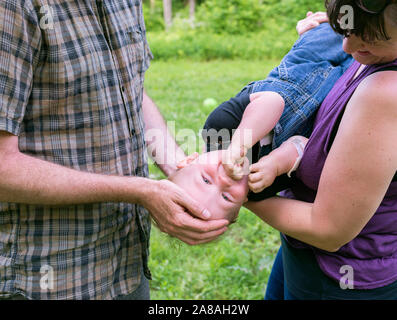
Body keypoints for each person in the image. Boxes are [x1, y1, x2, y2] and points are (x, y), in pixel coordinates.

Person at [0, 0, 228, 300]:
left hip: (126, 266)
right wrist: (138, 190)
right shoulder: (14, 8)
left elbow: (132, 90)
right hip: (47, 277)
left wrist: (179, 169)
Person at [245, 0, 397, 299]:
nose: (348, 47)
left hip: (342, 274)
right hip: (303, 248)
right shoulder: (374, 51)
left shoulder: (385, 94)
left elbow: (328, 230)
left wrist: (237, 191)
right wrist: (316, 38)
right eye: (345, 30)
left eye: (369, 39)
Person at [202, 19, 353, 201]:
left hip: (306, 63)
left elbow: (272, 102)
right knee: (372, 55)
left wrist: (239, 145)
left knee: (350, 27)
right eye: (226, 198)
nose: (223, 183)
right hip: (335, 97)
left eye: (206, 180)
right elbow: (304, 145)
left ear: (191, 162)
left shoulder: (218, 131)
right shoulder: (261, 185)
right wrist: (275, 165)